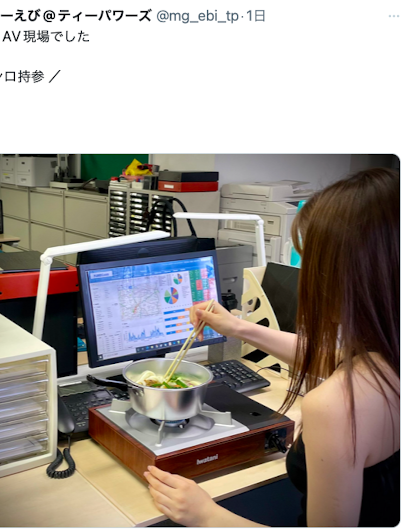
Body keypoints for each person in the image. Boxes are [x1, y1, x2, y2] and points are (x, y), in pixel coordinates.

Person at [144, 168, 400, 527]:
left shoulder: (337, 408)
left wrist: (206, 514)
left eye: (310, 263)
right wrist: (237, 327)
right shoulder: (390, 355)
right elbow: (336, 360)